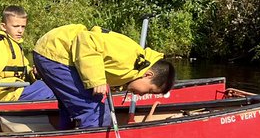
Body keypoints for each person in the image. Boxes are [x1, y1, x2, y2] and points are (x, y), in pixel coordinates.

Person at [32, 23, 176, 130]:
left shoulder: (135, 67)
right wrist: (97, 80)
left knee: (71, 106)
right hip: (56, 53)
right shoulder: (128, 56)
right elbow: (86, 39)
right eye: (149, 90)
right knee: (96, 110)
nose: (143, 94)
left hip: (53, 54)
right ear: (148, 75)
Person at [0, 5, 55, 102]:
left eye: (23, 26)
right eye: (16, 26)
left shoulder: (15, 45)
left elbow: (25, 70)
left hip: (17, 91)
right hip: (4, 95)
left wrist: (35, 73)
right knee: (51, 87)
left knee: (51, 82)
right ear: (3, 27)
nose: (20, 30)